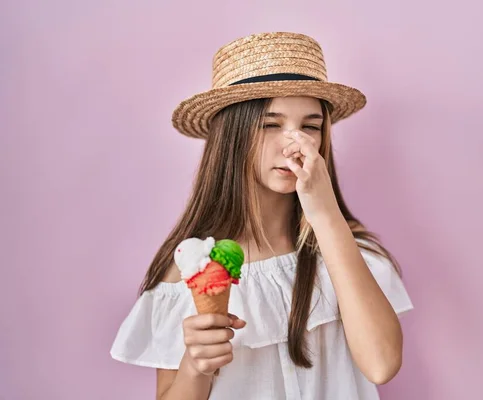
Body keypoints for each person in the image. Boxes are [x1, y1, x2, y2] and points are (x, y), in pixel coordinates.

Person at [110, 31, 414, 400]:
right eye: (271, 124)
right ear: (231, 136)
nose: (295, 143)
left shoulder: (351, 252)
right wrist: (195, 365)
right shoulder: (192, 269)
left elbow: (381, 364)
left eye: (311, 126)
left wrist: (326, 213)